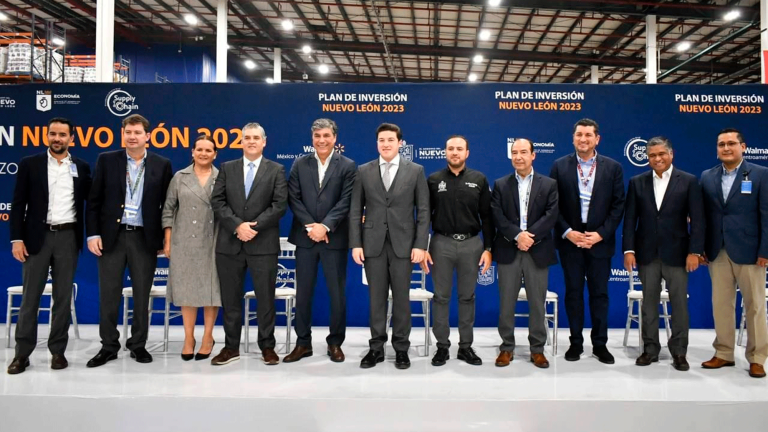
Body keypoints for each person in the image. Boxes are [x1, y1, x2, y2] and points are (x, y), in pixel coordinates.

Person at [85, 114, 172, 367]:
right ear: (122, 134)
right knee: (109, 294)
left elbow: (167, 205)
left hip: (144, 239)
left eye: (137, 132)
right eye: (128, 132)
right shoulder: (107, 160)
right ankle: (108, 346)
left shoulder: (161, 164)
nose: (132, 136)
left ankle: (138, 345)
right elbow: (94, 201)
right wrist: (93, 234)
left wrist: (164, 238)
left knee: (142, 294)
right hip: (112, 237)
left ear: (147, 136)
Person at [7, 118, 92, 374]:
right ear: (47, 137)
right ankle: (22, 354)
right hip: (36, 238)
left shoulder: (82, 167)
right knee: (30, 299)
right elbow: (18, 203)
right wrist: (16, 239)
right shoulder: (29, 164)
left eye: (63, 135)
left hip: (68, 237)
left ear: (71, 139)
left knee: (62, 299)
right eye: (53, 134)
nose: (57, 138)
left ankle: (58, 352)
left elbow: (92, 202)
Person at [349, 123, 430, 370]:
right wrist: (356, 244)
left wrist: (420, 244)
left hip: (404, 246)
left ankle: (401, 349)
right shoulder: (363, 171)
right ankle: (376, 348)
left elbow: (424, 211)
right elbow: (354, 211)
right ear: (377, 144)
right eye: (381, 140)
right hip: (372, 245)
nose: (386, 144)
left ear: (400, 143)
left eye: (390, 140)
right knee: (376, 300)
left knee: (402, 300)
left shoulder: (415, 170)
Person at [623, 136, 705, 371]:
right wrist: (629, 249)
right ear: (647, 158)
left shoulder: (688, 181)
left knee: (679, 305)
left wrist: (695, 252)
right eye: (652, 155)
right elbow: (630, 220)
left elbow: (698, 221)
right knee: (648, 305)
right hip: (646, 254)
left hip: (678, 255)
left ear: (671, 154)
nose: (657, 159)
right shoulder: (637, 182)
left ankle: (679, 352)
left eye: (661, 154)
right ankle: (650, 350)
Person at [210, 122, 287, 366]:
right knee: (231, 300)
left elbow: (279, 205)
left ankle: (267, 347)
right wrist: (237, 226)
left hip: (262, 244)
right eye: (247, 137)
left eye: (256, 137)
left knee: (265, 300)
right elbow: (218, 201)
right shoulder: (226, 168)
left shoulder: (276, 170)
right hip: (230, 244)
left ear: (264, 142)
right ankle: (231, 347)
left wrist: (253, 227)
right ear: (240, 141)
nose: (251, 141)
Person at [549, 118, 625, 364]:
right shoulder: (559, 166)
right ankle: (575, 344)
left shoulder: (613, 167)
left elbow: (617, 206)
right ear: (573, 138)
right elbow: (552, 206)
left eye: (588, 135)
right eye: (579, 135)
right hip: (570, 240)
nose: (583, 139)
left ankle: (600, 345)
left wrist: (601, 234)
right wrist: (567, 231)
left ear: (597, 139)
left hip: (599, 241)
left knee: (600, 295)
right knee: (573, 294)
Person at [284, 119, 356, 363]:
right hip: (305, 240)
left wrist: (324, 226)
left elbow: (346, 201)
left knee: (337, 295)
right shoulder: (299, 163)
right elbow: (293, 198)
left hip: (333, 239)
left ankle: (335, 343)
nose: (321, 140)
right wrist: (312, 227)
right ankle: (303, 343)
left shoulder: (348, 165)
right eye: (317, 136)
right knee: (302, 294)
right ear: (312, 138)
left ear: (335, 138)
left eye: (326, 135)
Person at [700, 128, 768, 379]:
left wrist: (765, 250)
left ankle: (757, 358)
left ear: (743, 147)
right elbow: (703, 217)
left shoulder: (761, 175)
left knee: (755, 307)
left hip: (751, 252)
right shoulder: (707, 176)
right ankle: (724, 353)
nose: (726, 148)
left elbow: (767, 216)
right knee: (721, 305)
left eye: (731, 143)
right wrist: (702, 248)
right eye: (721, 144)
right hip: (717, 251)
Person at [421, 135, 493, 367]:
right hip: (441, 244)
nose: (455, 152)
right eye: (450, 148)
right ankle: (442, 347)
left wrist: (489, 248)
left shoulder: (479, 179)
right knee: (441, 297)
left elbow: (488, 217)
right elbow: (423, 217)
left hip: (472, 245)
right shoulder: (433, 180)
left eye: (459, 149)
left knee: (467, 297)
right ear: (445, 152)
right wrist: (423, 246)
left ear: (467, 153)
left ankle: (465, 347)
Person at [490, 138, 558, 368]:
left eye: (523, 152)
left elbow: (551, 215)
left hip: (537, 251)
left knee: (537, 304)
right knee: (506, 303)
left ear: (533, 155)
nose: (518, 156)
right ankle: (506, 348)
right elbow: (497, 216)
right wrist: (518, 235)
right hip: (509, 249)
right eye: (514, 152)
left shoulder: (549, 184)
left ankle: (537, 349)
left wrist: (530, 237)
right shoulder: (500, 184)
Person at [162, 135, 221, 361]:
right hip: (184, 241)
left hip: (213, 241)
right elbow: (168, 209)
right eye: (200, 150)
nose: (204, 154)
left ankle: (208, 337)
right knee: (187, 292)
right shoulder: (180, 177)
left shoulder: (221, 177)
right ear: (192, 152)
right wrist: (168, 239)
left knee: (210, 292)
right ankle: (189, 338)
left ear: (215, 154)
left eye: (209, 150)